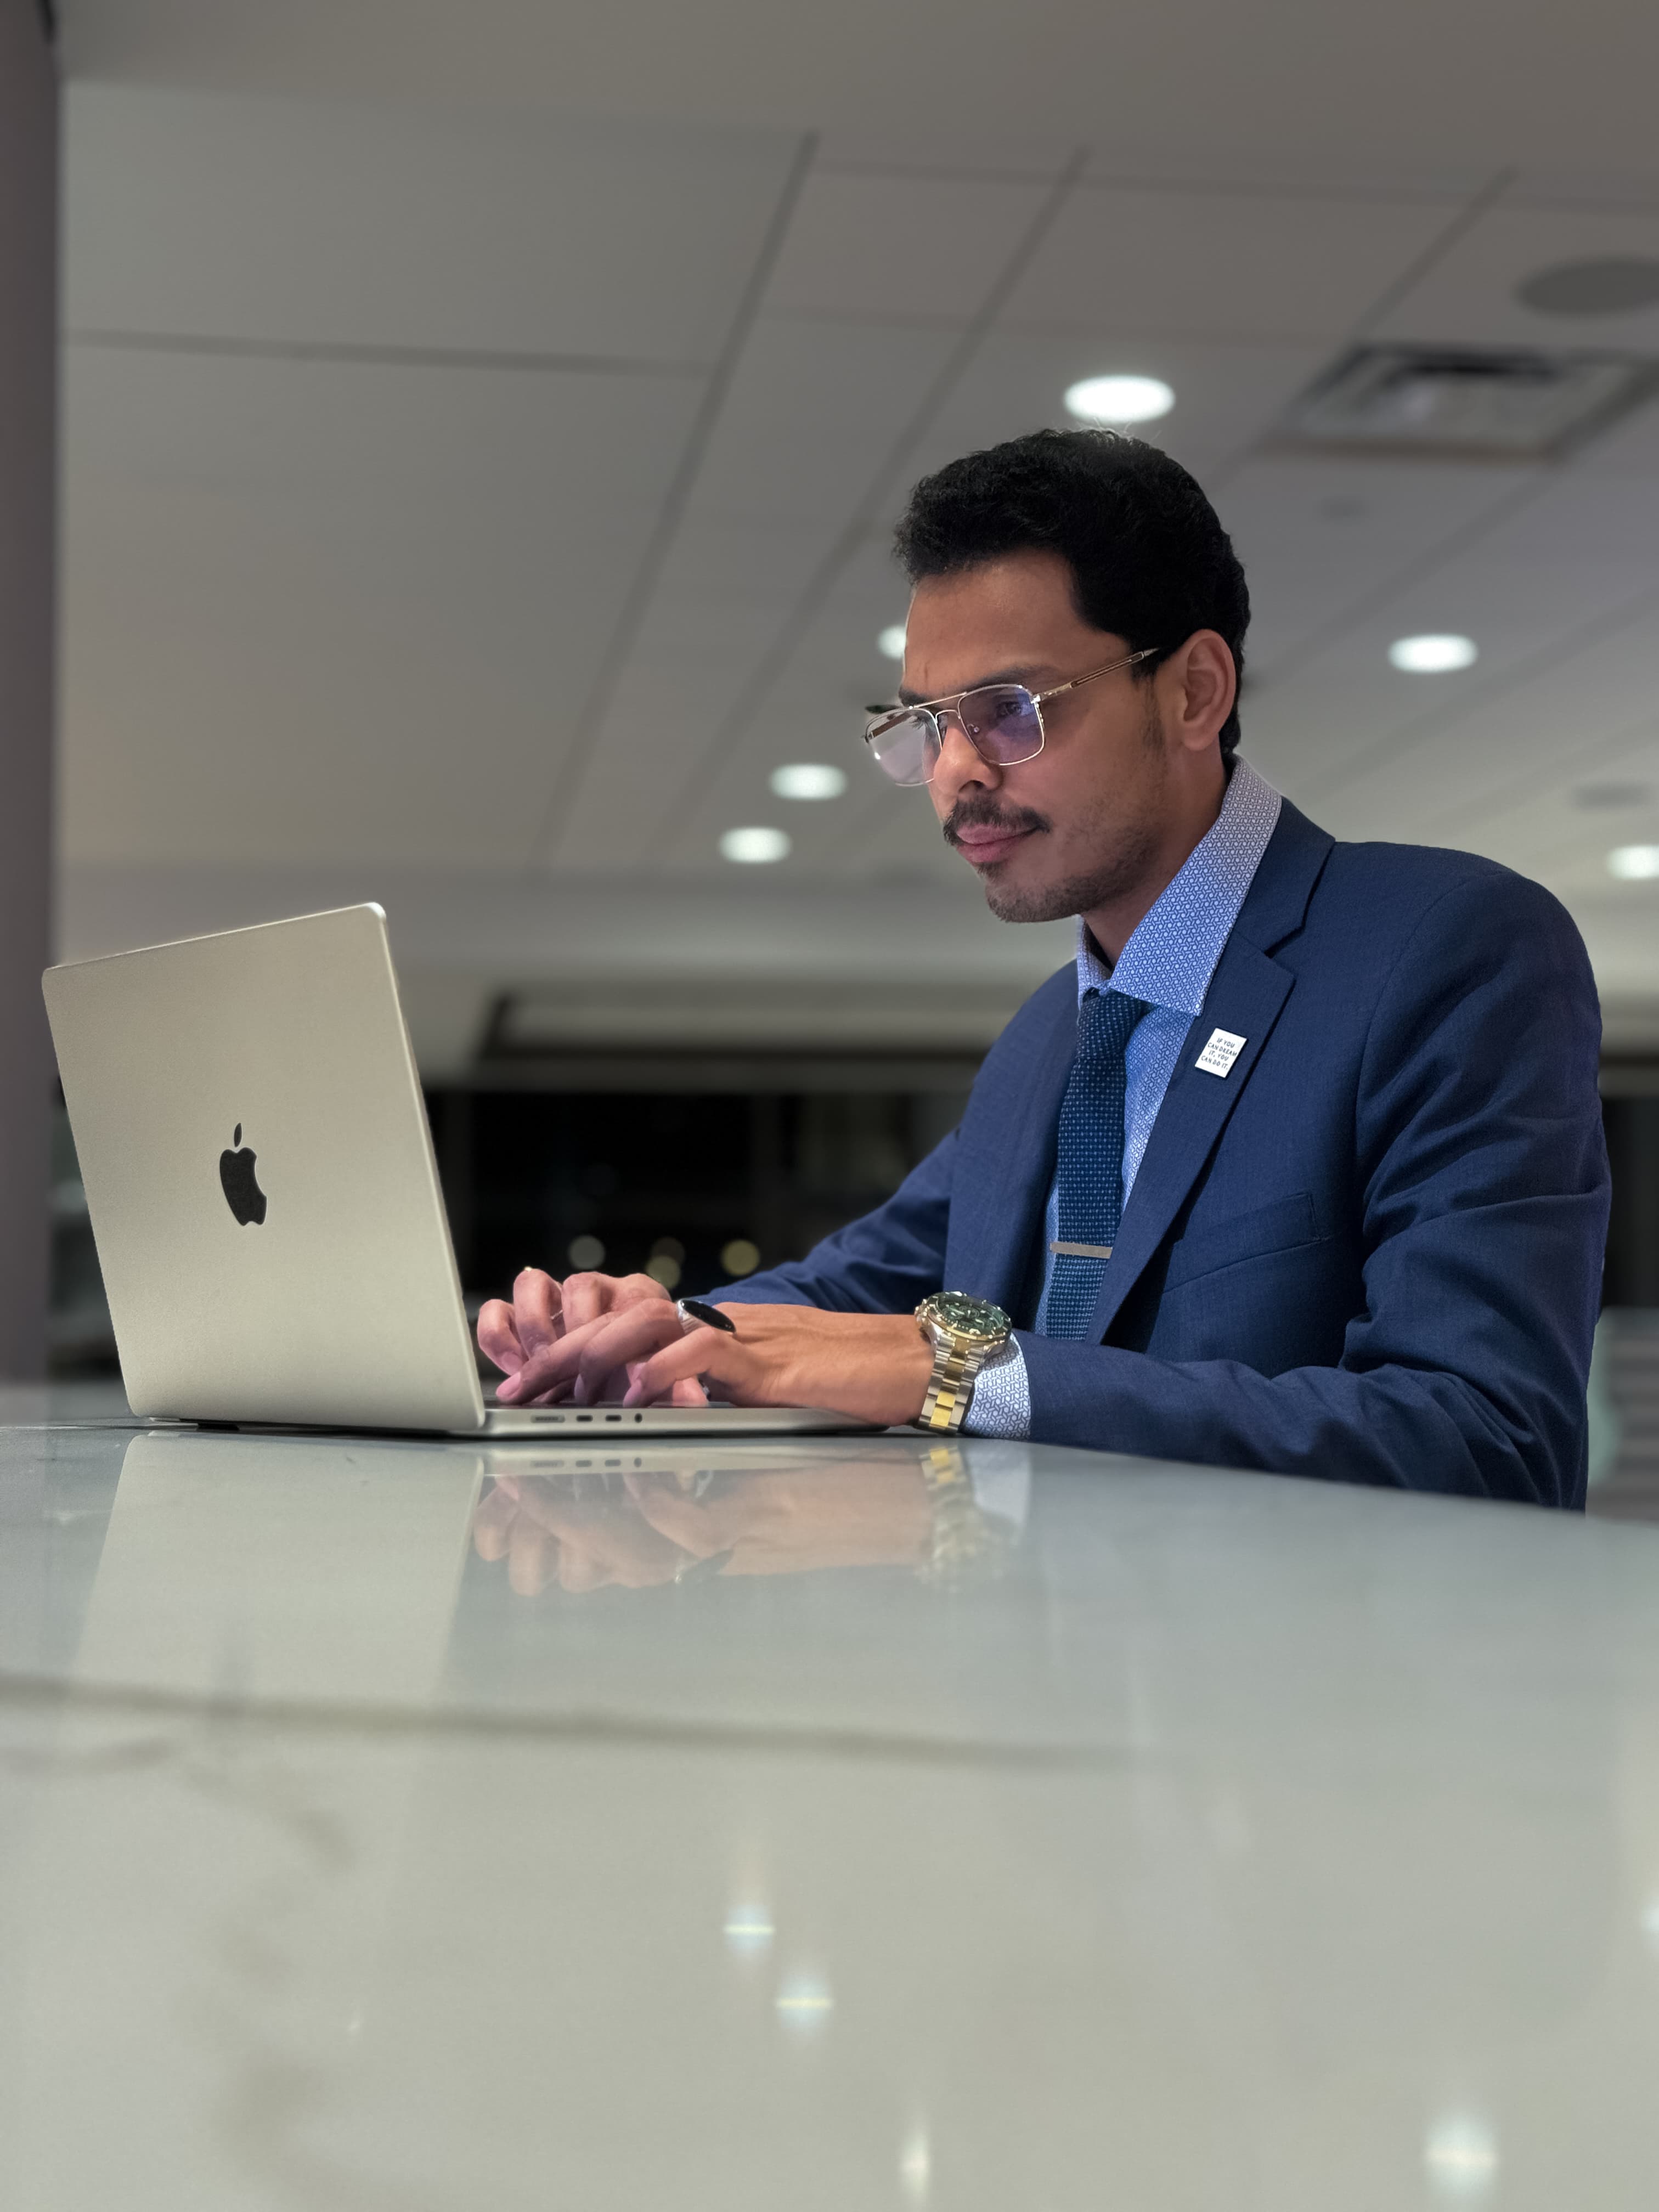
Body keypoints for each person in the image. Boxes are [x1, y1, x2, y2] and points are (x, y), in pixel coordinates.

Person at [479, 430, 1610, 1507]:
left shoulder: (1444, 947)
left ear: (1194, 691)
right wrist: (649, 1328)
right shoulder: (1054, 1037)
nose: (956, 773)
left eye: (1008, 712)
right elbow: (858, 1290)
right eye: (927, 723)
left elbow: (1487, 1438)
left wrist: (956, 1374)